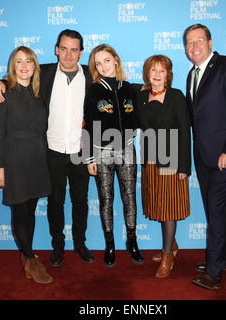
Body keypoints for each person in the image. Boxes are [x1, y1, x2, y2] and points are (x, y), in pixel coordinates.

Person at [0, 29, 95, 267]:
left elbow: (112, 89)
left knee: (80, 201)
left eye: (74, 49)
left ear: (81, 52)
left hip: (81, 150)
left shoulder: (92, 76)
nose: (68, 54)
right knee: (55, 202)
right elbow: (15, 78)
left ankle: (80, 243)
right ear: (56, 49)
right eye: (64, 48)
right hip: (51, 150)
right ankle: (58, 246)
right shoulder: (45, 73)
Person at [183, 24, 226, 289]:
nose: (194, 46)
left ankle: (213, 273)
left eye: (199, 40)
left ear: (210, 42)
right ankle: (224, 257)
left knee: (218, 211)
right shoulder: (192, 74)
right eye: (189, 43)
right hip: (204, 155)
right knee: (216, 210)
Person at [0, 46, 53, 284]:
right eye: (18, 62)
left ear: (35, 65)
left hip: (37, 158)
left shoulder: (39, 93)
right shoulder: (3, 93)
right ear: (12, 67)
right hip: (14, 159)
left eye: (28, 61)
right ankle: (30, 259)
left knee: (30, 210)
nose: (24, 66)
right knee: (20, 210)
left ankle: (28, 256)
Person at [84, 44, 143, 267]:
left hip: (127, 149)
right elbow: (87, 124)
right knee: (106, 199)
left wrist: (132, 132)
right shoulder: (93, 90)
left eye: (106, 60)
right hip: (101, 152)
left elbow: (136, 113)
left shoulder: (128, 87)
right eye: (98, 63)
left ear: (116, 60)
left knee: (129, 197)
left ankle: (132, 241)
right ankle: (110, 245)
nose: (103, 66)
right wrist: (89, 157)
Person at [136, 55, 191, 278]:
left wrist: (184, 167)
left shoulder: (176, 96)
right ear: (147, 74)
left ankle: (168, 254)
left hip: (171, 160)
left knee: (168, 208)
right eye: (153, 70)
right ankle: (172, 245)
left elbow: (186, 133)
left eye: (162, 71)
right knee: (157, 205)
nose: (157, 75)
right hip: (149, 159)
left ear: (168, 74)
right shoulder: (140, 95)